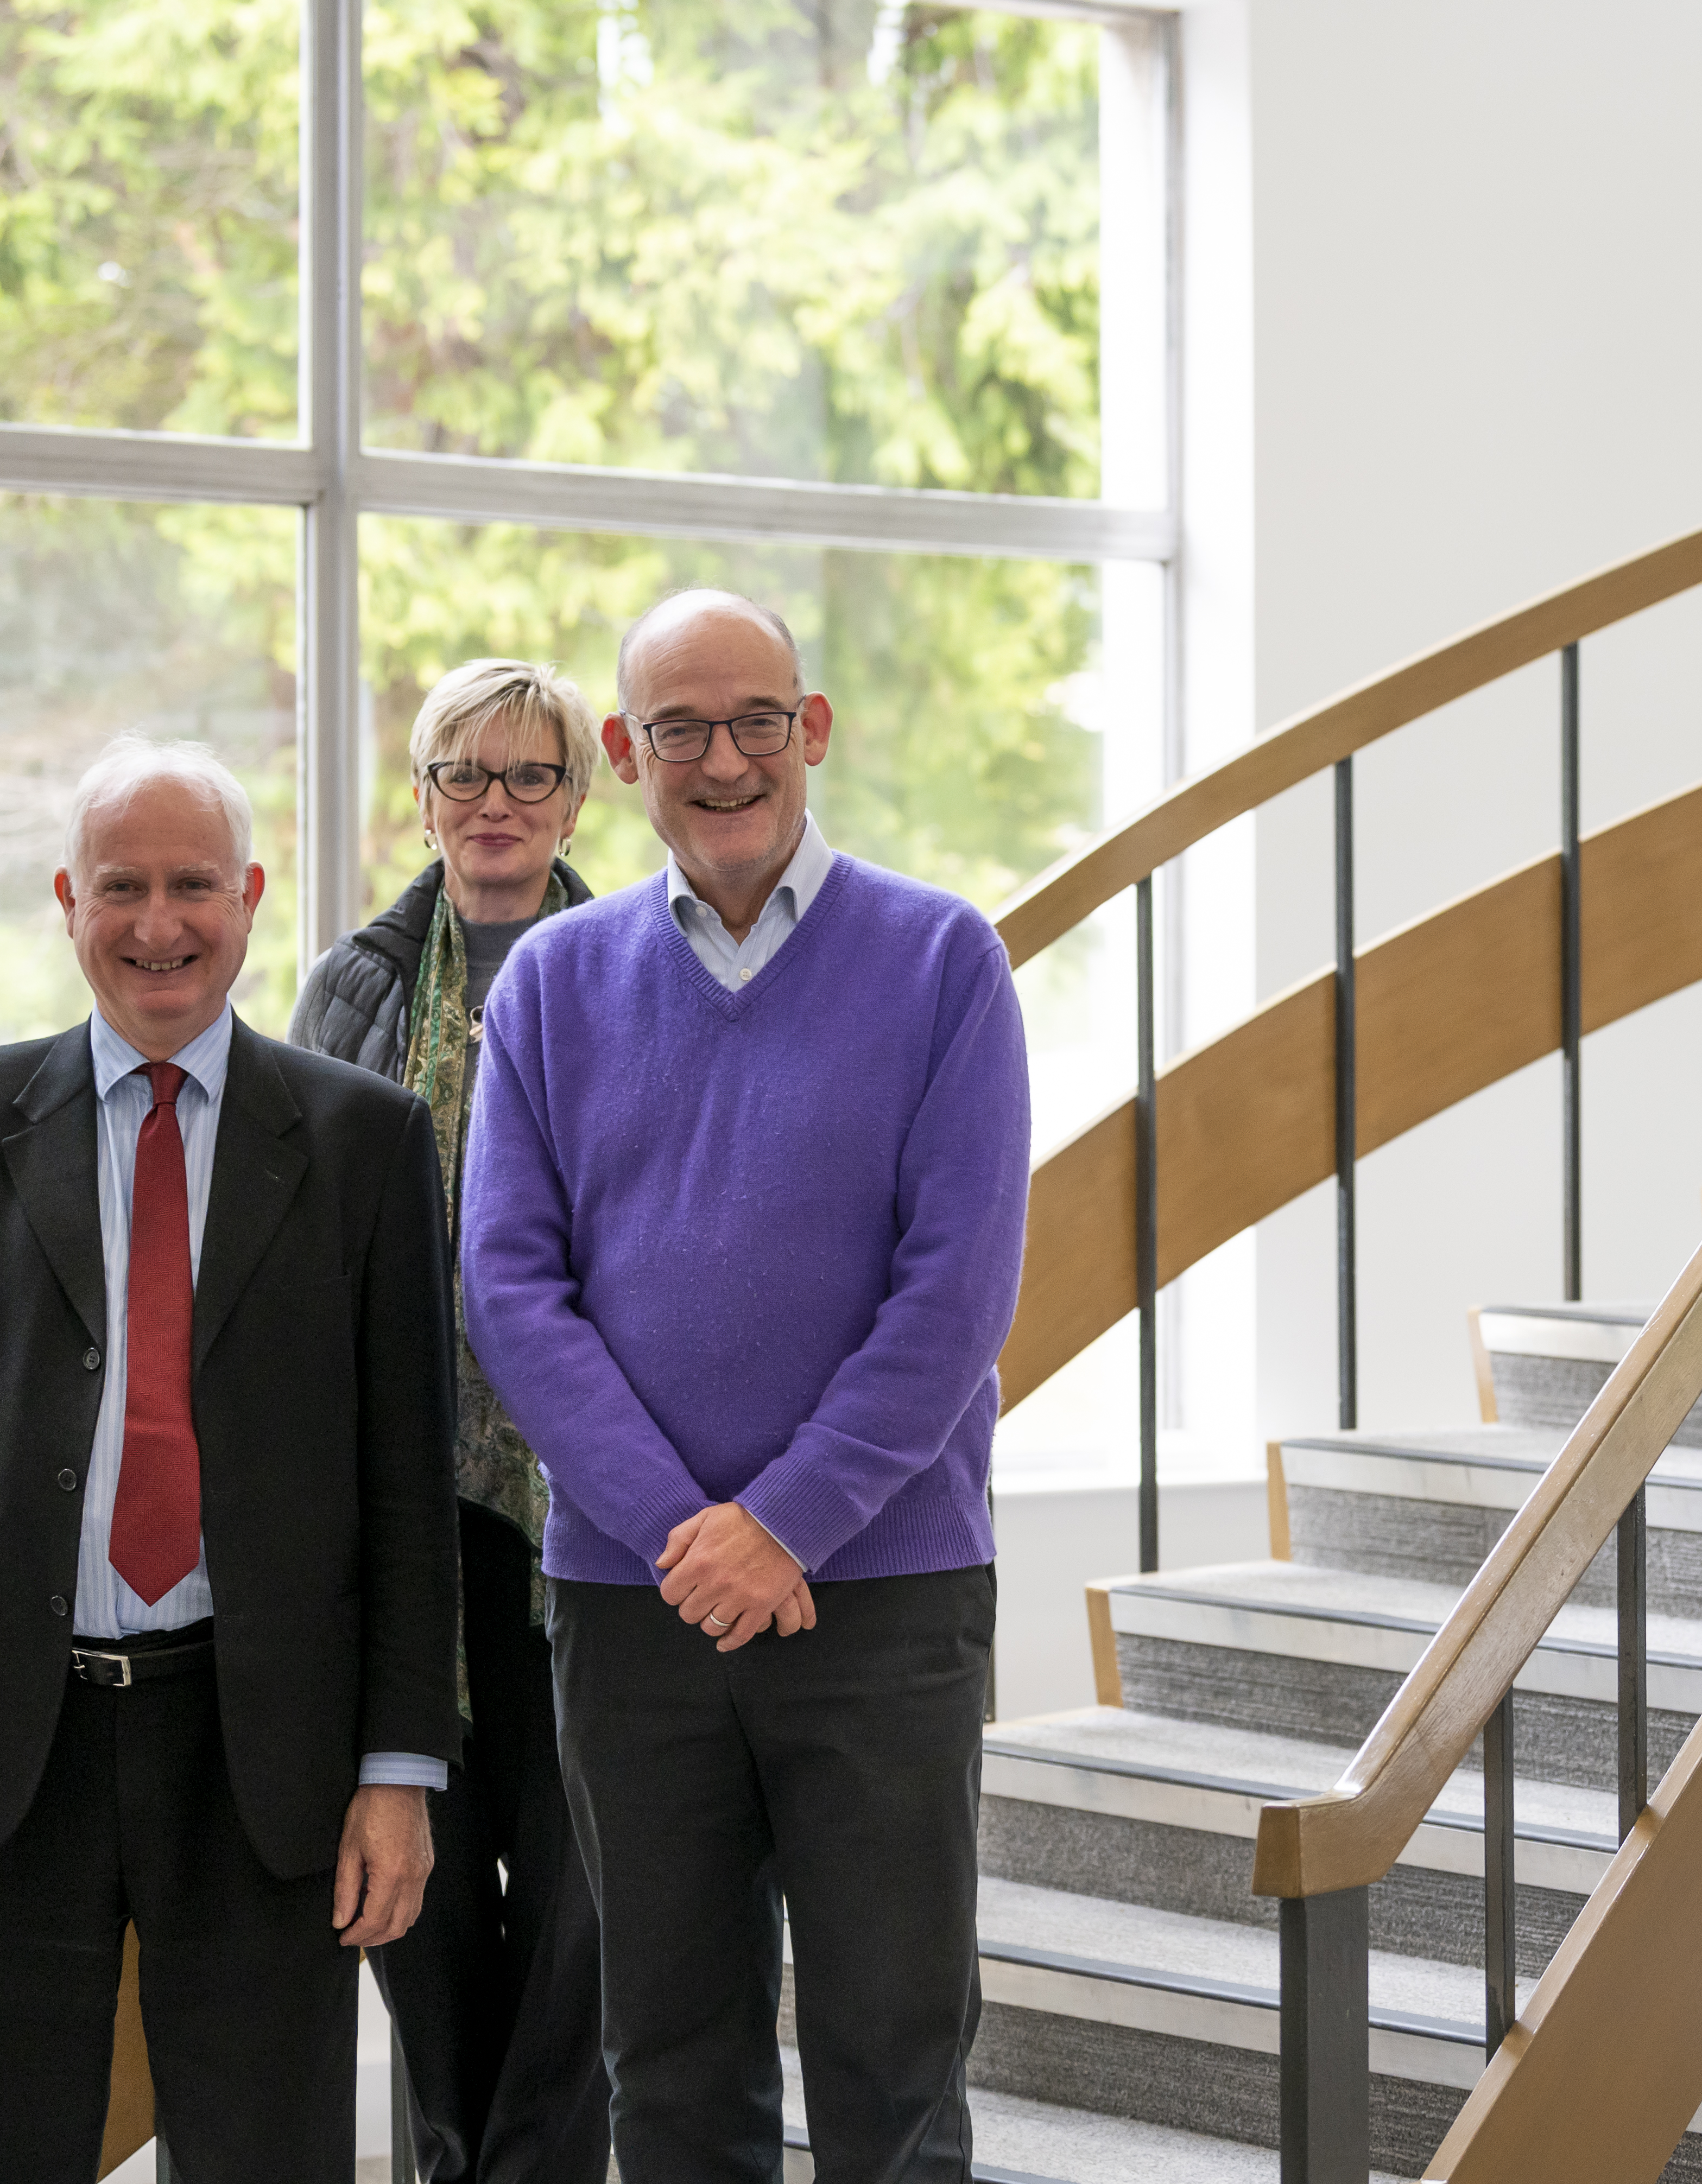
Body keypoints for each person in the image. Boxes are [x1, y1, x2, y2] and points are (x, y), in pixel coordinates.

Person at [0, 738, 461, 2181]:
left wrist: (400, 1767)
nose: (158, 925)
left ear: (250, 896)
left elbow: (408, 1487)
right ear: (66, 900)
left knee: (268, 2152)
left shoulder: (363, 1142)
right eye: (122, 888)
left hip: (262, 1751)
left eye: (191, 887)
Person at [458, 589, 1030, 2184]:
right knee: (672, 2070)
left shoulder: (941, 962)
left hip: (888, 1593)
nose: (727, 760)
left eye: (758, 720)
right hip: (637, 1610)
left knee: (895, 2073)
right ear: (630, 754)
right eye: (685, 729)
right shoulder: (555, 986)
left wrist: (784, 1525)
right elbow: (510, 1287)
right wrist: (682, 1535)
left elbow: (957, 1292)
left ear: (814, 731)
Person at [289, 660, 609, 2184]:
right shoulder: (350, 986)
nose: (495, 807)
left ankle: (529, 2163)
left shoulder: (637, 966)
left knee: (575, 1889)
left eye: (529, 777)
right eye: (463, 778)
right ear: (418, 801)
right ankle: (452, 2153)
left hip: (586, 1511)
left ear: (577, 798)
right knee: (413, 1897)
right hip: (401, 1510)